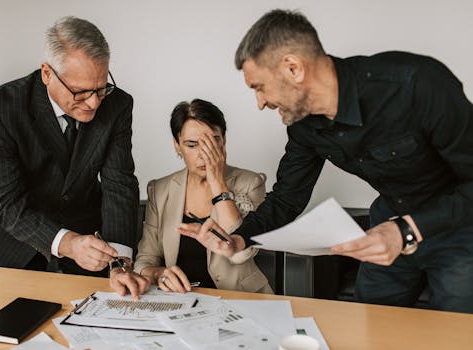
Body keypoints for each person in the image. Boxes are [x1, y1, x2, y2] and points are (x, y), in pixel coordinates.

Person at [178, 9, 473, 313]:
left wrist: (408, 230)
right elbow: (286, 199)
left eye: (259, 87)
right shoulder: (303, 126)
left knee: (458, 334)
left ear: (293, 68)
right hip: (387, 223)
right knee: (370, 326)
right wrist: (238, 238)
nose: (261, 103)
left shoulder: (416, 84)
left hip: (461, 228)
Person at [0, 16, 149, 295]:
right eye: (80, 92)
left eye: (101, 88)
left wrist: (119, 261)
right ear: (47, 73)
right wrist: (67, 244)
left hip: (94, 250)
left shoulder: (117, 105)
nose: (93, 103)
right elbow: (6, 203)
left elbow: (119, 185)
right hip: (22, 251)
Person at [110, 99, 272, 296]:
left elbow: (241, 254)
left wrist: (218, 184)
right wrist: (159, 274)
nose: (204, 155)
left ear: (224, 142)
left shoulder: (251, 182)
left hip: (241, 297)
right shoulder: (160, 190)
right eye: (192, 145)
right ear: (177, 146)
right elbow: (146, 259)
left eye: (212, 142)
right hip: (182, 300)